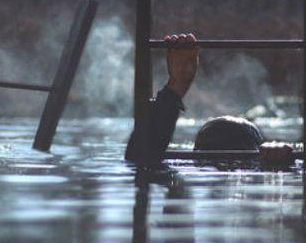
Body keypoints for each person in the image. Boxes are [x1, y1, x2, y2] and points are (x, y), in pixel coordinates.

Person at [125, 33, 295, 168]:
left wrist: (175, 89)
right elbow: (139, 159)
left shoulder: (191, 168)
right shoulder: (259, 170)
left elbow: (139, 160)